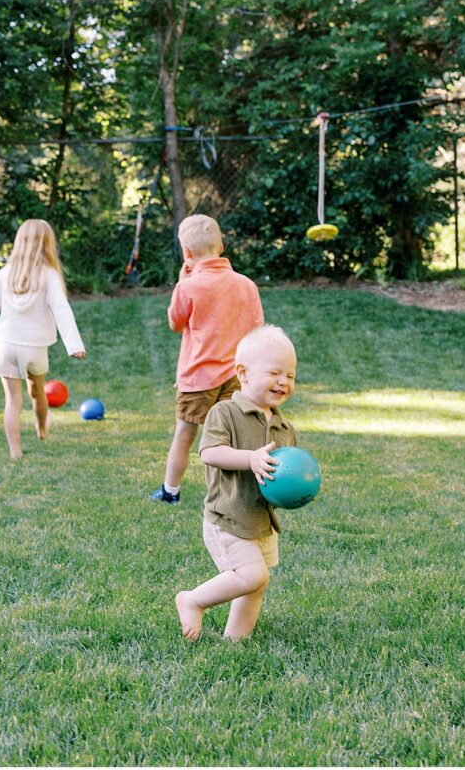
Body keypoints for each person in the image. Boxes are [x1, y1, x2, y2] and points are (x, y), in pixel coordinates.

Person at [175, 324, 297, 641]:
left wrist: (296, 490)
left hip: (261, 520)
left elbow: (286, 471)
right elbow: (210, 452)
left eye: (290, 375)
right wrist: (250, 459)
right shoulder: (225, 412)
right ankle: (192, 600)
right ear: (243, 373)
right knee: (251, 574)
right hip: (228, 517)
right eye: (275, 373)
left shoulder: (284, 425)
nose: (284, 381)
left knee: (257, 581)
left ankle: (236, 641)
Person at [150, 214, 263, 505]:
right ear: (221, 245)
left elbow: (175, 323)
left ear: (187, 253)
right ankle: (242, 493)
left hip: (197, 377)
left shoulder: (188, 287)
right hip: (236, 376)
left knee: (185, 434)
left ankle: (170, 491)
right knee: (235, 437)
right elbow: (257, 330)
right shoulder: (246, 285)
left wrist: (180, 283)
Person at [0, 219, 86, 459]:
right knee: (38, 392)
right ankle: (41, 429)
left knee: (12, 401)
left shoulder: (4, 274)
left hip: (6, 347)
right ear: (47, 244)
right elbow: (62, 310)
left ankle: (15, 452)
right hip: (35, 349)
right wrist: (74, 345)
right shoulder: (48, 275)